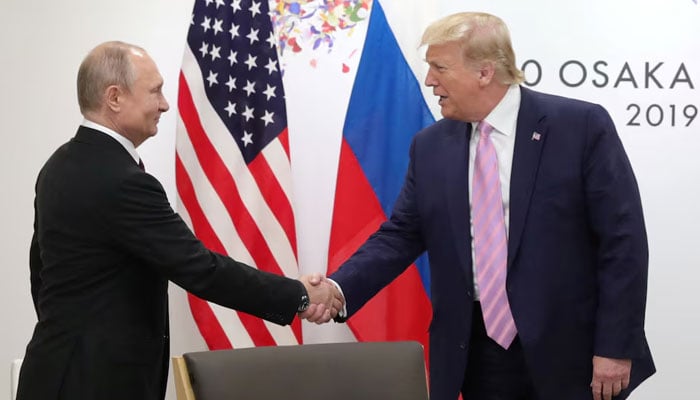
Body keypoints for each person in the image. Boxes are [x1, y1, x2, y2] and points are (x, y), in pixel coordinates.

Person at [324, 12, 655, 400]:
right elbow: (402, 235)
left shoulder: (579, 127)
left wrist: (615, 347)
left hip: (572, 352)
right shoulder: (429, 146)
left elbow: (623, 243)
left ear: (484, 73)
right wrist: (337, 288)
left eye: (440, 67)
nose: (430, 80)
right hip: (477, 352)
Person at [17, 41, 339, 400]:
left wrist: (68, 332)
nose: (165, 104)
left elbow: (41, 270)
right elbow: (200, 268)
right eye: (155, 91)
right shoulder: (122, 181)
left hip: (53, 374)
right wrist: (298, 295)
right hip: (94, 383)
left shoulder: (60, 165)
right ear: (114, 97)